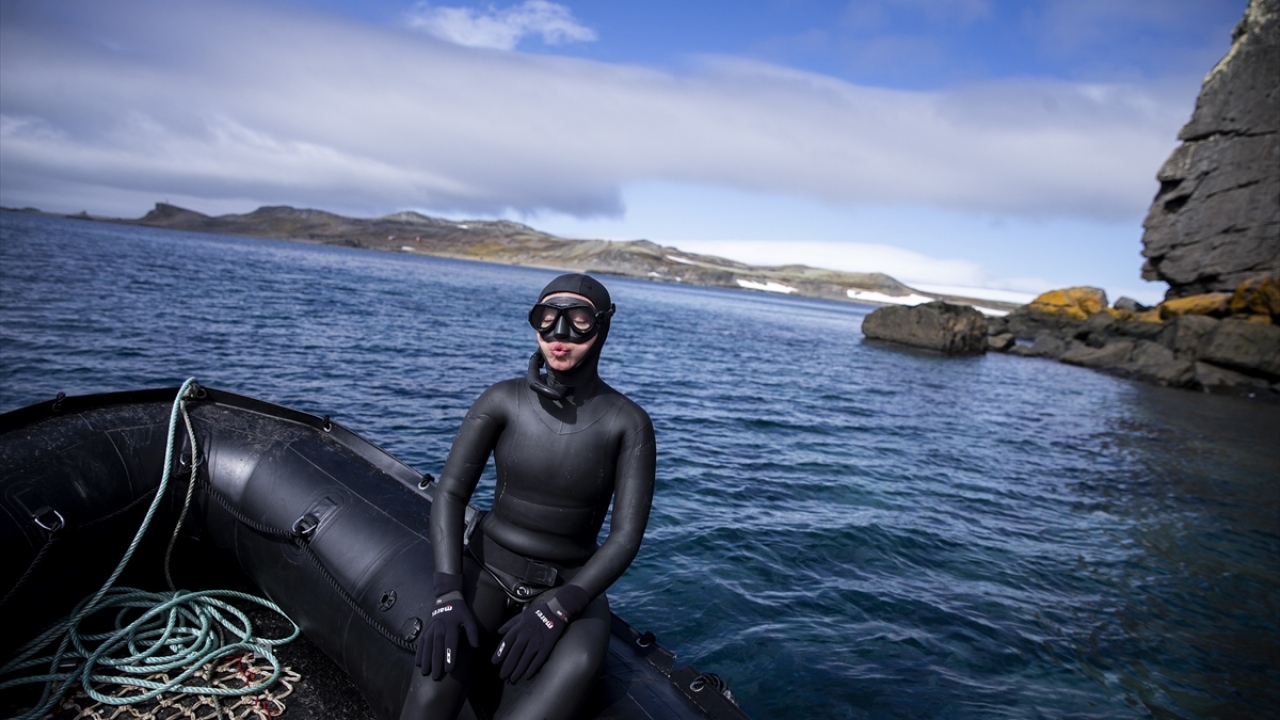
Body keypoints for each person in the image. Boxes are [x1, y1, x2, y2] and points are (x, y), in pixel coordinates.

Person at [401, 273, 656, 720]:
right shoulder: (502, 400)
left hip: (569, 586)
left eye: (578, 322)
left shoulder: (628, 423)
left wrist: (559, 609)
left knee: (572, 671)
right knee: (428, 698)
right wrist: (446, 592)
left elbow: (625, 537)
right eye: (547, 320)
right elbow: (451, 493)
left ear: (602, 328)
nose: (560, 337)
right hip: (486, 568)